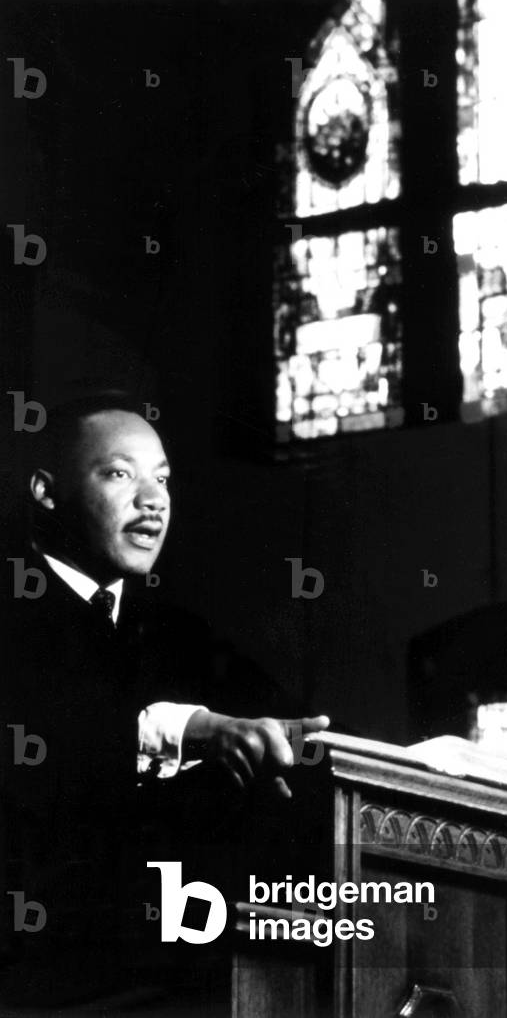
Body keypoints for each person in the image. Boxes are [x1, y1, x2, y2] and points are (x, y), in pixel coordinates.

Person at [0, 394, 329, 1010]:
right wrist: (195, 730)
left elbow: (290, 723)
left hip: (184, 966)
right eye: (120, 473)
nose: (153, 500)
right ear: (46, 492)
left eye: (163, 479)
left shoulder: (180, 633)